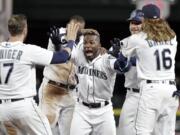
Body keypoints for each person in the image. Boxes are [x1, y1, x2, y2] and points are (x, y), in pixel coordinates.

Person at [0, 14, 79, 135]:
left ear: (9, 29)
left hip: (2, 109)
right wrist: (71, 41)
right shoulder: (28, 50)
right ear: (25, 29)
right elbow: (62, 57)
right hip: (23, 106)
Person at [120, 4, 179, 135]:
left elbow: (121, 58)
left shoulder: (137, 39)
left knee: (142, 132)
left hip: (151, 90)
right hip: (171, 91)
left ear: (144, 20)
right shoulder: (173, 37)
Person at [69, 28, 129, 135]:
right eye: (86, 43)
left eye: (92, 43)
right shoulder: (79, 53)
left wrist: (119, 57)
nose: (88, 45)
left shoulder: (107, 58)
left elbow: (121, 67)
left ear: (99, 45)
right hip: (81, 110)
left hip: (104, 111)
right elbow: (68, 49)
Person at [38, 15, 85, 135]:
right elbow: (60, 55)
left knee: (71, 132)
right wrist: (57, 45)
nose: (75, 30)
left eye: (78, 29)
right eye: (73, 27)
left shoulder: (85, 41)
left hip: (71, 92)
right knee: (44, 130)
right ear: (68, 25)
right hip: (52, 89)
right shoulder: (58, 33)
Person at [110, 9, 144, 135]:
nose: (134, 26)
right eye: (132, 23)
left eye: (137, 23)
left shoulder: (154, 43)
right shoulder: (123, 43)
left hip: (150, 93)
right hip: (132, 94)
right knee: (124, 131)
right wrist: (114, 58)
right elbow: (111, 66)